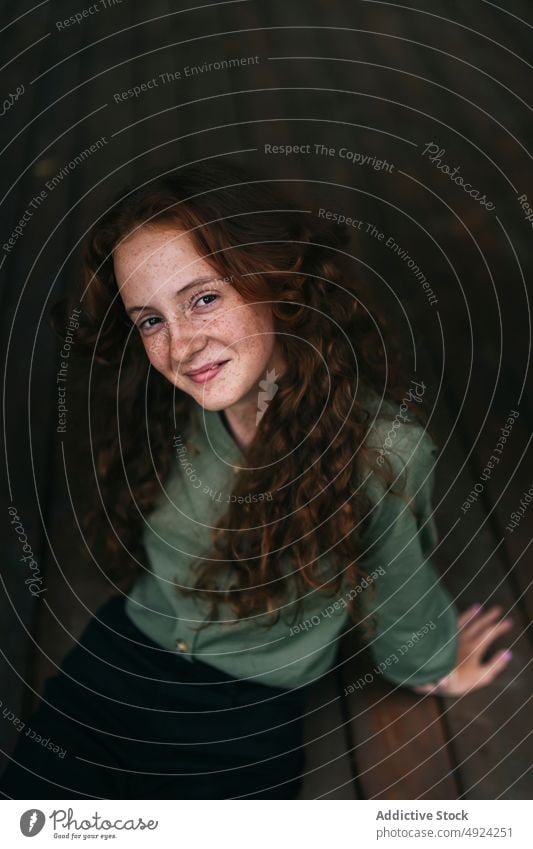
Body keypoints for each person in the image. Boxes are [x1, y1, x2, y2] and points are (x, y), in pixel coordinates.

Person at [0, 161, 512, 800]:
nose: (181, 345)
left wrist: (438, 663)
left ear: (277, 281)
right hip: (116, 663)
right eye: (150, 319)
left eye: (204, 297)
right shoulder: (171, 407)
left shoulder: (382, 451)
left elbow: (397, 590)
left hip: (240, 717)